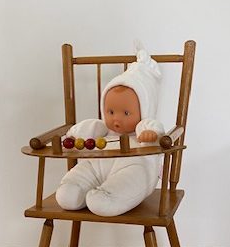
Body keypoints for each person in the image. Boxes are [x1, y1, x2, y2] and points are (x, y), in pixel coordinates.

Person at [55, 47, 165, 216]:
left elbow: (155, 129)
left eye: (126, 113)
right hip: (98, 164)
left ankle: (108, 196)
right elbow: (78, 133)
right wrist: (75, 135)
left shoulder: (144, 126)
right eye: (111, 112)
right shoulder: (101, 129)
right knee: (70, 190)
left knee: (130, 179)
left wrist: (151, 134)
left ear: (144, 110)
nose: (116, 119)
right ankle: (74, 190)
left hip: (134, 166)